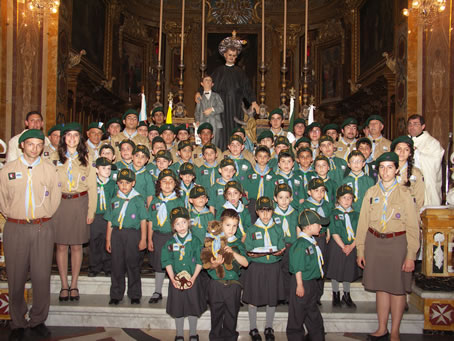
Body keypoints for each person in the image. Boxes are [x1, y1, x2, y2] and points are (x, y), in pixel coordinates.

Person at [0, 129, 61, 340]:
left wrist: (41, 217)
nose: (34, 148)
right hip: (15, 227)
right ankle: (17, 321)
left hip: (42, 227)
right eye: (30, 144)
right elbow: (2, 200)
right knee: (15, 277)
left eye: (38, 144)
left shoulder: (49, 170)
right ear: (22, 146)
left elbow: (55, 199)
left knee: (41, 275)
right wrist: (16, 216)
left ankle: (38, 320)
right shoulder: (7, 170)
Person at [356, 152, 420, 341]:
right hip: (375, 243)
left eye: (390, 167)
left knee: (397, 288)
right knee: (381, 287)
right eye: (382, 167)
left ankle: (395, 331)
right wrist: (361, 249)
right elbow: (363, 224)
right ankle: (382, 327)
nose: (385, 171)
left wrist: (411, 254)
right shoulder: (371, 193)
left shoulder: (405, 193)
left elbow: (412, 227)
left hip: (397, 243)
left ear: (397, 169)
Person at [50, 122, 97, 302]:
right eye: (68, 135)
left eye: (75, 135)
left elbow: (92, 185)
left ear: (80, 139)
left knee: (77, 245)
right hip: (60, 203)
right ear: (63, 138)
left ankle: (75, 284)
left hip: (80, 202)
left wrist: (91, 210)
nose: (72, 139)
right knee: (61, 245)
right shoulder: (54, 156)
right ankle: (64, 285)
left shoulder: (87, 156)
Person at [196, 32, 260, 150]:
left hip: (236, 107)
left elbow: (247, 88)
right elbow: (207, 83)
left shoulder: (240, 72)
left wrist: (254, 102)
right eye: (230, 55)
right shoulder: (218, 71)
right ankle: (220, 152)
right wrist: (199, 92)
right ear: (225, 55)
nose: (232, 57)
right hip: (220, 108)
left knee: (235, 129)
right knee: (221, 131)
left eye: (234, 55)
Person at [243, 197, 286, 341]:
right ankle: (253, 328)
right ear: (257, 212)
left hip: (273, 267)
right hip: (256, 269)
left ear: (273, 211)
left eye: (268, 211)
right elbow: (248, 249)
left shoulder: (277, 228)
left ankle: (269, 327)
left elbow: (281, 247)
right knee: (254, 298)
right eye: (262, 211)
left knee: (271, 298)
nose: (265, 215)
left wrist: (278, 251)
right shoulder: (252, 229)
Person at [161, 207, 206, 341]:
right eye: (177, 224)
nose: (181, 226)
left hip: (193, 279)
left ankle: (193, 333)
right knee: (178, 307)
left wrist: (193, 278)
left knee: (193, 306)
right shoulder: (170, 243)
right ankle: (179, 334)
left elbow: (200, 261)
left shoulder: (195, 241)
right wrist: (173, 278)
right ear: (173, 226)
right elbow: (167, 261)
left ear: (189, 222)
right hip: (176, 280)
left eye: (184, 222)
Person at [105, 168, 148, 305]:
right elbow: (110, 221)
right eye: (121, 182)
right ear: (117, 183)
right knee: (117, 264)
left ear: (133, 183)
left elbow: (143, 220)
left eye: (128, 183)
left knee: (133, 264)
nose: (124, 186)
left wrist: (143, 239)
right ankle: (116, 294)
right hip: (117, 234)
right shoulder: (114, 200)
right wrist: (108, 239)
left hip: (133, 234)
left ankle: (134, 293)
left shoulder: (138, 199)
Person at [207, 209, 248, 341]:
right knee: (216, 315)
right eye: (228, 225)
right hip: (216, 284)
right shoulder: (213, 242)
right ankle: (215, 337)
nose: (231, 229)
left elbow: (246, 263)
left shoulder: (238, 244)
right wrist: (214, 264)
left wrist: (234, 253)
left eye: (235, 225)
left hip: (233, 286)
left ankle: (230, 337)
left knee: (231, 315)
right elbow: (207, 265)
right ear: (221, 224)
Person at [286, 209, 327, 341]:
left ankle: (318, 336)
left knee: (312, 313)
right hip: (302, 283)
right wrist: (299, 285)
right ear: (309, 226)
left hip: (311, 284)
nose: (321, 226)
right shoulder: (300, 245)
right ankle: (295, 337)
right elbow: (298, 267)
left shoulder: (310, 241)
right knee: (297, 315)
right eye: (318, 224)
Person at [148, 169, 185, 304]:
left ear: (175, 184)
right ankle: (157, 291)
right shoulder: (155, 201)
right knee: (159, 263)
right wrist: (149, 239)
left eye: (171, 181)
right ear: (159, 184)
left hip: (173, 236)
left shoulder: (179, 201)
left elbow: (183, 222)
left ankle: (175, 291)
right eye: (164, 181)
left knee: (175, 264)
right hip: (158, 236)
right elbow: (151, 221)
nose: (168, 184)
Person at [326, 185, 361, 308]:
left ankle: (347, 294)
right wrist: (343, 246)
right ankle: (336, 294)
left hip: (351, 245)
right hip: (337, 246)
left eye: (349, 198)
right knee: (336, 269)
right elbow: (334, 231)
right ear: (338, 199)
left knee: (348, 270)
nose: (346, 201)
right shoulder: (334, 213)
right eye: (344, 198)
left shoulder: (356, 215)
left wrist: (351, 246)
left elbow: (359, 232)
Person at [88, 157, 117, 278]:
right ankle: (94, 266)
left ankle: (108, 266)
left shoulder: (112, 184)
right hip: (95, 216)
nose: (107, 171)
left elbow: (114, 200)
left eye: (109, 168)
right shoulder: (92, 183)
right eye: (103, 168)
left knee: (108, 241)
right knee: (94, 241)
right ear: (96, 169)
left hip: (108, 217)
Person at [407, 114, 444, 206]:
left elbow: (434, 163)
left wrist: (417, 154)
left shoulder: (432, 143)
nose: (412, 127)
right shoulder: (403, 142)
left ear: (423, 126)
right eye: (410, 124)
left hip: (425, 186)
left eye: (415, 124)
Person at [391, 136, 425, 212]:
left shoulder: (416, 173)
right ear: (393, 151)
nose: (402, 152)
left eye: (406, 150)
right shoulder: (386, 169)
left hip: (408, 214)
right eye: (399, 149)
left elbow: (419, 200)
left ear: (410, 153)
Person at [195, 75, 224, 147]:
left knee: (214, 144)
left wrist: (212, 109)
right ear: (202, 83)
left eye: (210, 80)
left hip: (215, 124)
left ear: (212, 84)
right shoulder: (199, 97)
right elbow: (197, 111)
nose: (208, 82)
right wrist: (197, 120)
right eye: (206, 80)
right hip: (203, 122)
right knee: (203, 143)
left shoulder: (216, 96)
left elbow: (221, 107)